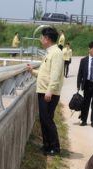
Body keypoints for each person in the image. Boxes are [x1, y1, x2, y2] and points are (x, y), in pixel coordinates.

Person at [26, 27, 65, 156]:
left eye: (42, 38)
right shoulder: (49, 52)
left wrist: (50, 91)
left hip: (48, 93)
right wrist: (32, 71)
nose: (41, 40)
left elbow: (55, 73)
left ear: (47, 39)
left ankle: (55, 147)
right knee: (44, 119)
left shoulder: (56, 53)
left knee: (47, 119)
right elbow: (45, 73)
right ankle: (47, 145)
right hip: (43, 90)